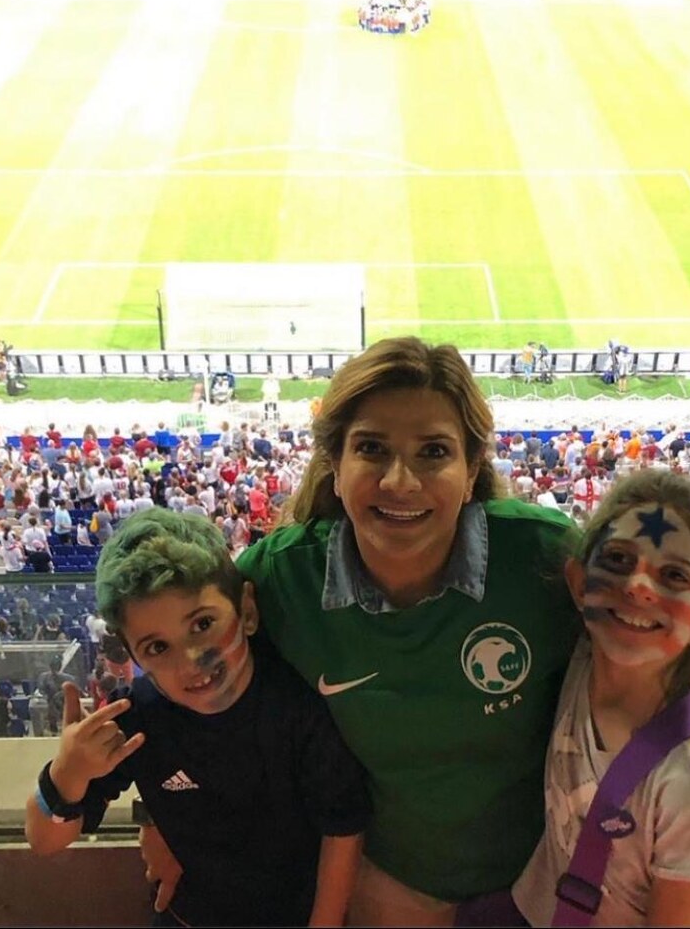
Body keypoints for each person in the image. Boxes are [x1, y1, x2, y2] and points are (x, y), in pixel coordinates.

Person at [142, 336, 584, 926]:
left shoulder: (544, 558)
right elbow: (182, 680)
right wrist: (161, 817)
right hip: (381, 889)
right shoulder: (281, 578)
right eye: (372, 448)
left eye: (433, 452)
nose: (400, 481)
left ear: (473, 469)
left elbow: (652, 672)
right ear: (335, 463)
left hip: (539, 887)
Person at [24, 509, 372, 928]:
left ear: (246, 610)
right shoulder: (137, 718)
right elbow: (44, 841)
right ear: (134, 657)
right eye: (157, 648)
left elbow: (342, 829)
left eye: (202, 624)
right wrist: (67, 774)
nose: (190, 660)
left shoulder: (296, 706)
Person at [505, 469, 690, 926]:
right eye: (618, 559)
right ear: (579, 583)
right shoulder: (578, 656)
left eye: (674, 575)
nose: (638, 585)